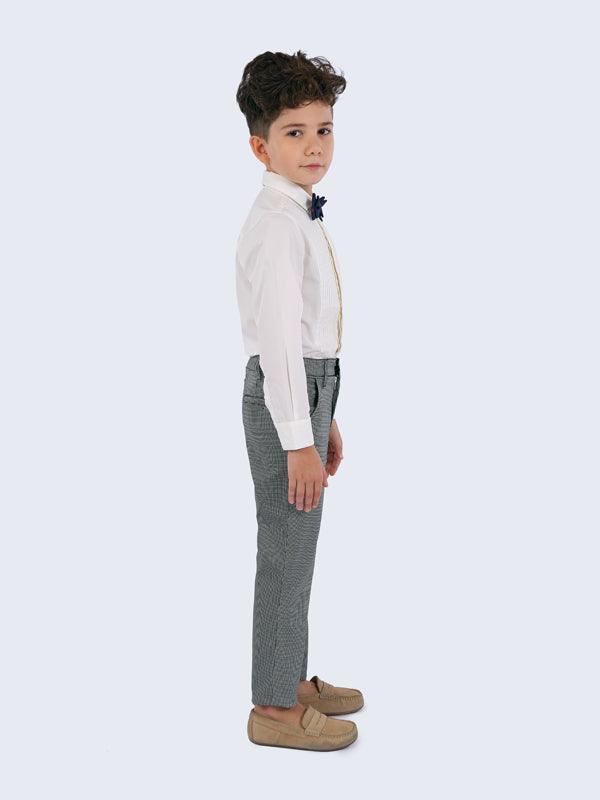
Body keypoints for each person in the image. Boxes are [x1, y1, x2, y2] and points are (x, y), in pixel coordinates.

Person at [235, 50, 364, 751]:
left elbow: (308, 339)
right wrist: (298, 439)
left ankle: (288, 677)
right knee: (285, 550)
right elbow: (280, 344)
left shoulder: (298, 212)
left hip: (308, 393)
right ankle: (273, 708)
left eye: (324, 129)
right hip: (287, 396)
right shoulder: (279, 226)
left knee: (299, 546)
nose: (314, 146)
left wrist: (325, 417)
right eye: (294, 132)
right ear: (262, 147)